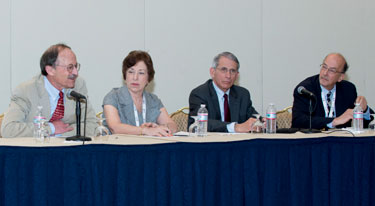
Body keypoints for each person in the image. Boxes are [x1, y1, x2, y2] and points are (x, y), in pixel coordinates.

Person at [1, 43, 97, 138]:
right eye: (70, 67)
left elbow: (91, 126)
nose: (76, 72)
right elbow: (9, 130)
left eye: (76, 66)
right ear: (50, 70)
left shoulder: (78, 85)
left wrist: (58, 134)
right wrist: (51, 128)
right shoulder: (26, 91)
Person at [102, 50, 177, 137]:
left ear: (148, 78)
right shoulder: (113, 97)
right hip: (118, 148)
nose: (135, 77)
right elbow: (115, 128)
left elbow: (173, 126)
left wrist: (161, 127)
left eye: (141, 73)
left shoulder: (153, 100)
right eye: (131, 72)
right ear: (125, 76)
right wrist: (145, 131)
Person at [292, 53, 373, 130]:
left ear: (341, 77)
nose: (325, 73)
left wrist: (364, 109)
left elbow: (368, 124)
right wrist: (334, 121)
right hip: (313, 142)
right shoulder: (305, 89)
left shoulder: (348, 89)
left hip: (342, 142)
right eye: (324, 67)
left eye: (332, 70)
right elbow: (298, 121)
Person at [188, 51, 260, 133]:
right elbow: (198, 124)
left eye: (232, 71)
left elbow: (253, 117)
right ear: (212, 72)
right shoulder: (199, 94)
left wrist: (262, 122)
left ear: (237, 75)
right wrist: (235, 127)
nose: (228, 76)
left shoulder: (242, 94)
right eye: (223, 70)